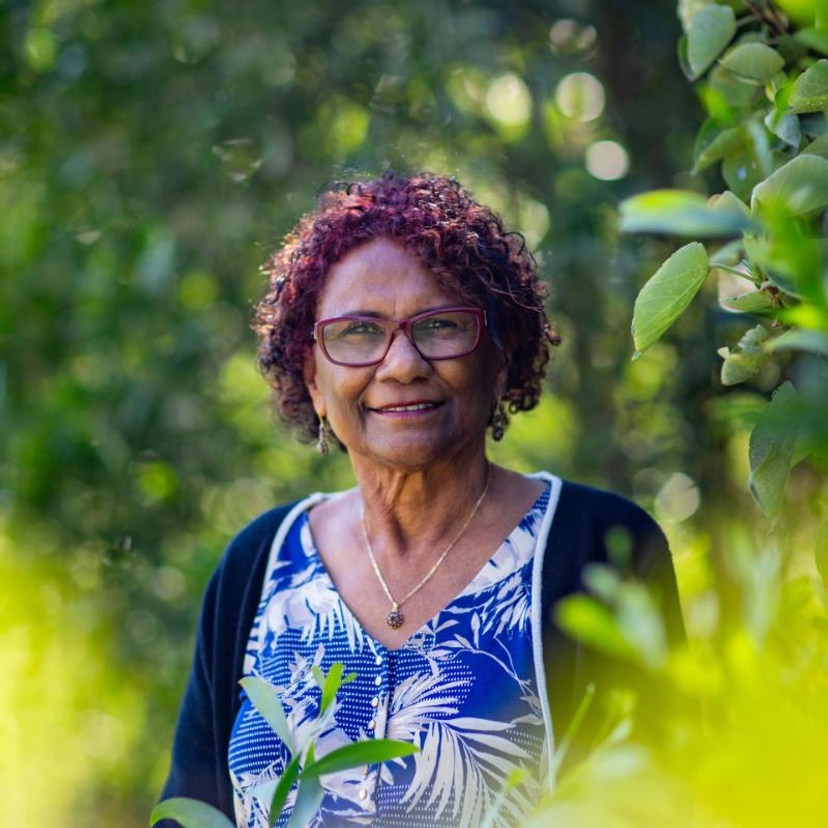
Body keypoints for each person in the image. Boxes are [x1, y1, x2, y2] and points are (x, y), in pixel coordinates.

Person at [159, 172, 684, 827]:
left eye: (440, 326)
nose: (402, 363)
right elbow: (188, 814)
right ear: (314, 382)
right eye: (358, 333)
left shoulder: (601, 550)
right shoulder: (257, 568)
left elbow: (664, 798)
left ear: (501, 356)